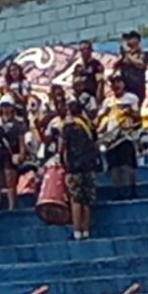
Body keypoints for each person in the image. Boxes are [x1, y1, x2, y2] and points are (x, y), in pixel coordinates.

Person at [98, 74, 141, 199]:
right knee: (114, 166)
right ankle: (117, 191)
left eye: (118, 82)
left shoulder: (131, 98)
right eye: (113, 83)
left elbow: (138, 116)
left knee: (128, 164)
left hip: (126, 135)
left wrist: (129, 112)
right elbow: (100, 118)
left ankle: (131, 190)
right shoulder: (108, 101)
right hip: (111, 137)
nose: (116, 85)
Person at [61, 100, 98, 240]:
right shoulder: (89, 125)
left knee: (76, 199)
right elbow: (95, 143)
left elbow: (63, 148)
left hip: (74, 166)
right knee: (87, 199)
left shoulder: (68, 127)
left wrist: (65, 166)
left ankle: (77, 230)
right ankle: (86, 230)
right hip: (89, 165)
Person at [0, 99, 29, 212]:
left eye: (7, 106)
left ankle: (12, 206)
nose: (5, 109)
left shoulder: (17, 123)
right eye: (3, 106)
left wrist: (22, 152)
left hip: (12, 152)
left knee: (10, 180)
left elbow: (21, 139)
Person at [117, 30, 148, 101]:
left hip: (136, 85)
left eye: (129, 38)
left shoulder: (142, 52)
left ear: (136, 40)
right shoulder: (125, 53)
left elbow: (140, 65)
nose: (127, 41)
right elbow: (116, 65)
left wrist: (127, 54)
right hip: (125, 84)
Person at [74, 40, 106, 106]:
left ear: (91, 50)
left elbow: (100, 83)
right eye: (82, 50)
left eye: (87, 49)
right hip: (81, 97)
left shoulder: (96, 65)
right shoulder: (78, 67)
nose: (84, 51)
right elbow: (74, 84)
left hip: (93, 96)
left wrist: (98, 100)